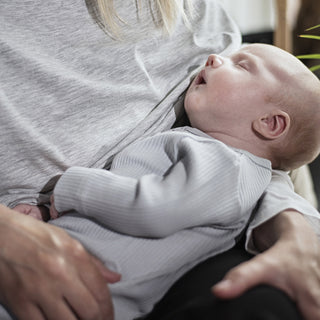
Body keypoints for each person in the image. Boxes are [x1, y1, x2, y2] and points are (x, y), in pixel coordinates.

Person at [1, 1, 320, 319]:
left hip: (90, 283)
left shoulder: (223, 163)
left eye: (241, 65)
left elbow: (155, 207)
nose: (214, 58)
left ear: (270, 124)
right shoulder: (214, 151)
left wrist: (67, 189)